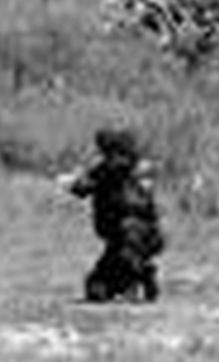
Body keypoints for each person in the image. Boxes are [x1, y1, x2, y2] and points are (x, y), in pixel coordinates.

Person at [67, 128, 164, 302]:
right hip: (148, 238)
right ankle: (139, 274)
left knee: (98, 287)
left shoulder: (106, 170)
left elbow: (79, 189)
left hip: (126, 238)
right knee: (99, 285)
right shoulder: (139, 171)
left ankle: (138, 274)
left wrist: (81, 176)